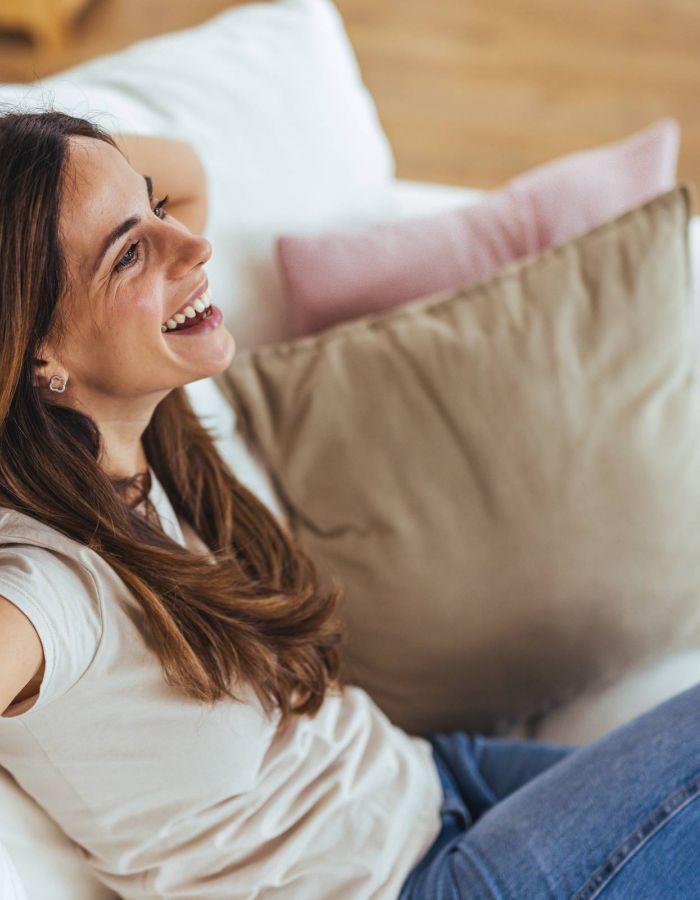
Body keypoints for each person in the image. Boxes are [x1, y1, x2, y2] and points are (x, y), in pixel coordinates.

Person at [0, 109, 698, 900]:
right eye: (131, 253)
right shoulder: (53, 583)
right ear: (38, 351)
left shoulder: (146, 422)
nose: (192, 247)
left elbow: (186, 175)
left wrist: (43, 164)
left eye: (152, 209)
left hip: (431, 779)